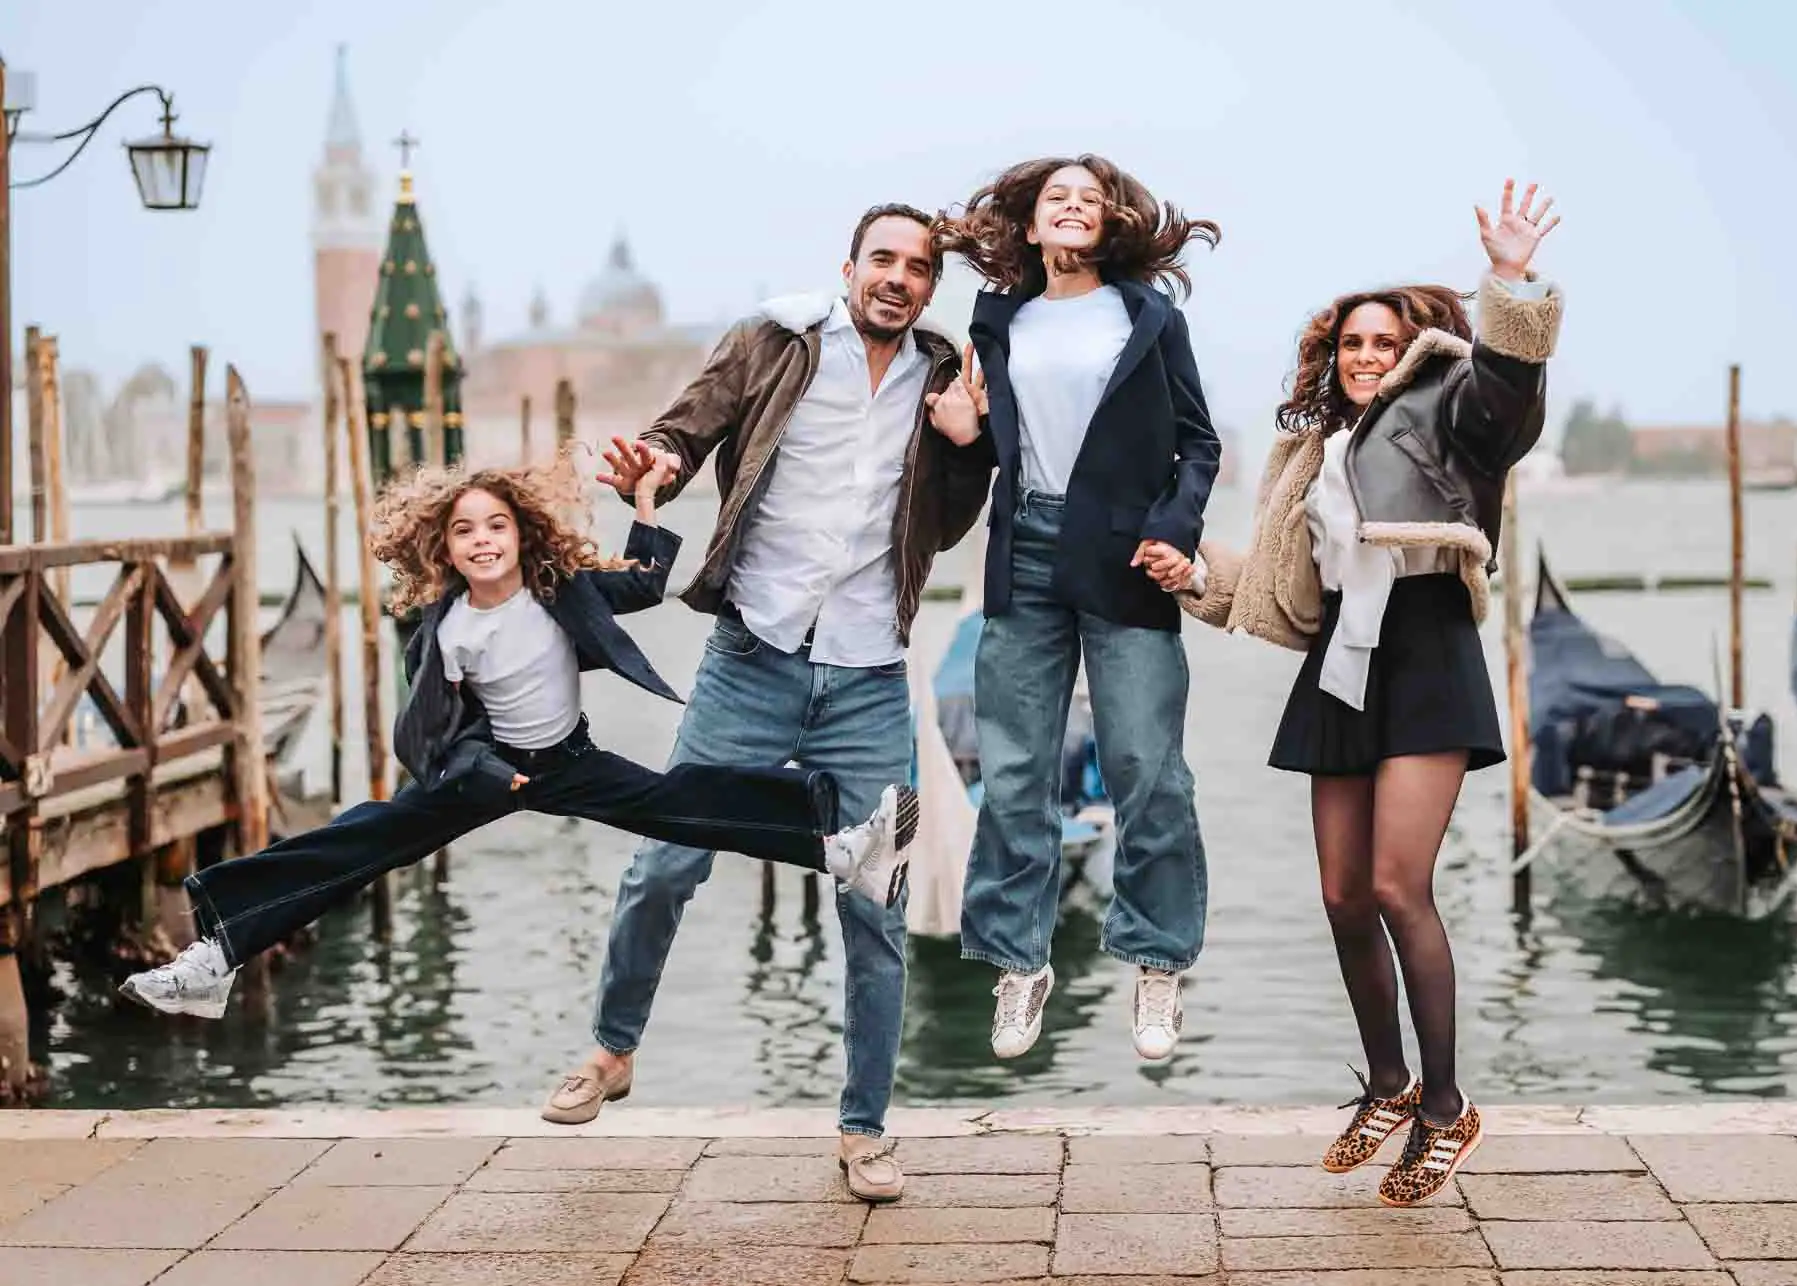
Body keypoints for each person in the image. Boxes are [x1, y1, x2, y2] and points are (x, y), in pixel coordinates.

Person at [122, 453, 915, 1021]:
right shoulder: (448, 630)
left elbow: (641, 584)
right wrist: (485, 775)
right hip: (485, 772)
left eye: (496, 524)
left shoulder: (554, 590)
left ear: (521, 532)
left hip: (569, 762)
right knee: (358, 840)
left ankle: (841, 850)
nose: (482, 539)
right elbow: (435, 732)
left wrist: (644, 506)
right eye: (464, 530)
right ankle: (213, 957)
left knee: (683, 801)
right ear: (446, 547)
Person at [549, 204, 997, 1204]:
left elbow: (953, 518)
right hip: (748, 659)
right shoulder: (773, 340)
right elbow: (683, 427)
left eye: (917, 267)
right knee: (665, 863)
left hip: (872, 679)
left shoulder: (941, 371)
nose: (897, 277)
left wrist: (970, 444)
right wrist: (655, 464)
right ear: (848, 268)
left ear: (930, 286)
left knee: (875, 903)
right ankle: (613, 1051)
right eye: (881, 259)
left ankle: (864, 1130)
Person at [1181, 180, 1563, 1206]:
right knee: (1342, 896)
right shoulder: (1314, 454)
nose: (1360, 355)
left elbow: (1507, 397)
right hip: (1337, 670)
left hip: (1427, 650)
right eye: (1346, 341)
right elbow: (1281, 589)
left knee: (1399, 886)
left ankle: (1446, 1107)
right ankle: (1387, 1086)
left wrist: (1509, 282)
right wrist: (1194, 578)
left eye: (1377, 341)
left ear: (1409, 348)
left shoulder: (1451, 414)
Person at [940, 156, 1221, 1064]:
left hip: (1125, 552)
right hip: (1023, 549)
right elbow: (993, 443)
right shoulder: (997, 319)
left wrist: (1175, 529)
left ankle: (1157, 959)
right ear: (1030, 226)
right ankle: (1021, 963)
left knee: (1148, 767)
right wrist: (963, 433)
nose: (1072, 207)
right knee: (1016, 770)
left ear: (1107, 227)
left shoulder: (1147, 316)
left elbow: (1198, 443)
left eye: (1088, 200)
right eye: (1055, 197)